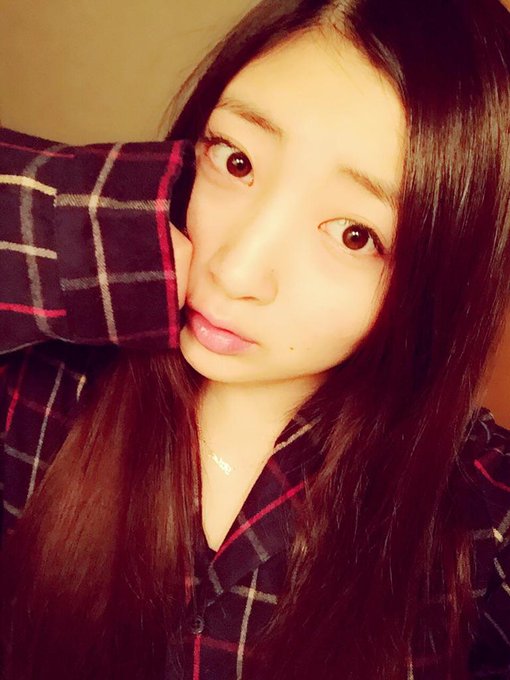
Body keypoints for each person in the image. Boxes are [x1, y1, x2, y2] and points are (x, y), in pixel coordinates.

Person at [0, 0, 509, 678]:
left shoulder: (481, 514)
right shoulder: (41, 379)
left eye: (355, 235)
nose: (235, 271)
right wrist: (117, 240)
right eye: (237, 162)